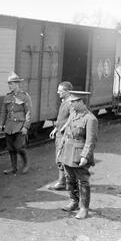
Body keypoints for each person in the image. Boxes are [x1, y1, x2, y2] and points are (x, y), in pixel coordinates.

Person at [59, 91, 98, 220]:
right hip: (68, 152)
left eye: (73, 102)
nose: (71, 104)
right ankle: (74, 201)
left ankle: (83, 208)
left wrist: (85, 156)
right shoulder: (73, 114)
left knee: (82, 181)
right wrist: (60, 149)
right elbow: (66, 134)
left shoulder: (90, 118)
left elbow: (91, 141)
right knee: (69, 178)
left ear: (81, 102)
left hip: (79, 154)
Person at [0, 71, 32, 174]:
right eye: (8, 83)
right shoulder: (7, 97)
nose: (9, 86)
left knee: (19, 147)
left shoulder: (24, 96)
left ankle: (26, 164)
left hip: (20, 126)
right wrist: (1, 124)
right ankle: (13, 167)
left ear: (17, 84)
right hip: (9, 126)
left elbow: (29, 113)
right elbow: (4, 111)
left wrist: (26, 126)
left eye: (11, 84)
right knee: (10, 148)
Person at [48, 81, 73, 190]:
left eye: (60, 90)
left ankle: (63, 182)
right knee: (59, 158)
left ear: (67, 91)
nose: (58, 92)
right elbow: (61, 119)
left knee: (62, 158)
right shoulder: (64, 102)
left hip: (64, 136)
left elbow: (72, 118)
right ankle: (64, 182)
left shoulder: (71, 103)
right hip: (59, 134)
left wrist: (64, 128)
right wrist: (56, 128)